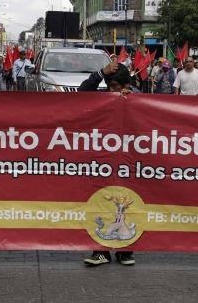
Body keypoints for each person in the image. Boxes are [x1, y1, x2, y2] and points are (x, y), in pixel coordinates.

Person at [79, 61, 136, 267]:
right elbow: (82, 91)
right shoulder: (102, 99)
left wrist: (132, 98)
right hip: (103, 159)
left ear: (125, 85)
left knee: (126, 203)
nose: (113, 91)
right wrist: (101, 73)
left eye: (116, 87)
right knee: (102, 202)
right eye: (110, 86)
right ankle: (100, 251)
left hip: (129, 160)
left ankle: (125, 251)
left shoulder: (136, 99)